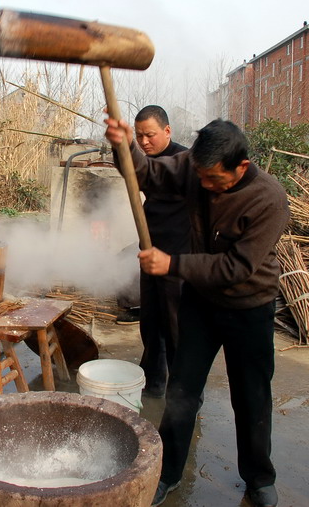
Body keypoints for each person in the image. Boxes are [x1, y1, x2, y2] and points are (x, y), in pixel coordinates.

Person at [105, 116, 289, 507]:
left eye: (214, 180)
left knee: (252, 396)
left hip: (249, 307)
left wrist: (173, 265)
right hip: (200, 304)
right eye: (200, 177)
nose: (204, 186)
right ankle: (169, 473)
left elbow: (236, 268)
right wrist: (125, 148)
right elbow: (148, 175)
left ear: (240, 167)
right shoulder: (195, 168)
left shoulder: (268, 198)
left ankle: (258, 477)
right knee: (182, 392)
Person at [127, 105, 191, 397]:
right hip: (149, 256)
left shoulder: (185, 161)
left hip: (176, 260)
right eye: (139, 136)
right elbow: (133, 167)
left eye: (149, 135)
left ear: (167, 131)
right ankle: (153, 387)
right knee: (151, 326)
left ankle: (185, 395)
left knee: (177, 330)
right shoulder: (145, 159)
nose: (144, 142)